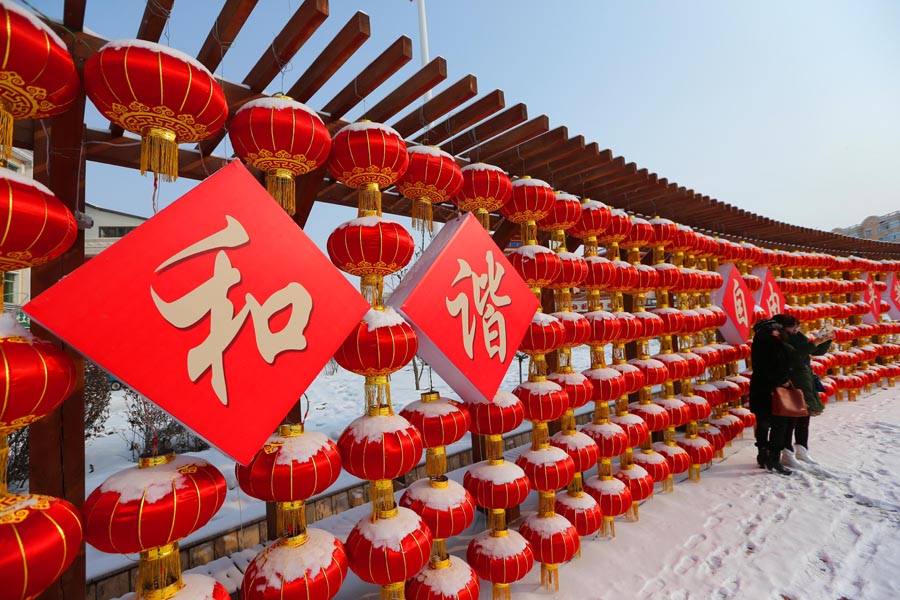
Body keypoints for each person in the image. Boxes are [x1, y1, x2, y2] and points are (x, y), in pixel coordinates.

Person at [772, 314, 833, 465]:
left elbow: (814, 351)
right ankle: (787, 451)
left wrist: (825, 340)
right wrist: (815, 342)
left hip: (805, 379)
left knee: (805, 416)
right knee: (791, 417)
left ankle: (802, 448)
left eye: (797, 326)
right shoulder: (780, 340)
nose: (796, 329)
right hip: (791, 381)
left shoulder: (799, 337)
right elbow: (796, 355)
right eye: (793, 326)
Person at [748, 317, 794, 475]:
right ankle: (774, 459)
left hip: (759, 388)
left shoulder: (758, 342)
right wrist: (783, 381)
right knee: (779, 424)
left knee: (762, 422)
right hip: (774, 390)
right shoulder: (773, 343)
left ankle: (762, 455)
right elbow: (777, 366)